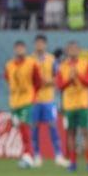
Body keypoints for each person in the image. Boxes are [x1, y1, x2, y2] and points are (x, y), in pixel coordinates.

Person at [56, 40, 88, 172]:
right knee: (71, 134)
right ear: (67, 51)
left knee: (85, 133)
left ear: (78, 50)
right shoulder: (62, 66)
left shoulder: (86, 64)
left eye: (74, 48)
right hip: (69, 105)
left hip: (83, 103)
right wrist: (69, 79)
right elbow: (60, 86)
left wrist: (77, 75)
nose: (72, 51)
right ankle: (73, 162)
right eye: (70, 48)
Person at [29, 35, 67, 167]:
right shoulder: (30, 60)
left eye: (41, 43)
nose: (39, 45)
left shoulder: (52, 60)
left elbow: (59, 78)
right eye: (37, 43)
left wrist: (48, 81)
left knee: (53, 126)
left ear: (45, 44)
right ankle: (37, 156)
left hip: (48, 99)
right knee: (34, 127)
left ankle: (58, 155)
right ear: (34, 44)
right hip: (33, 100)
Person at [4, 39, 42, 169]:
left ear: (25, 49)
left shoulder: (32, 63)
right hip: (14, 101)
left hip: (27, 100)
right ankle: (27, 155)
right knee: (20, 128)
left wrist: (32, 94)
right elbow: (8, 79)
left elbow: (38, 81)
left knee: (26, 127)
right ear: (15, 50)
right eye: (17, 48)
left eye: (22, 48)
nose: (20, 50)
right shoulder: (9, 65)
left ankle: (29, 155)